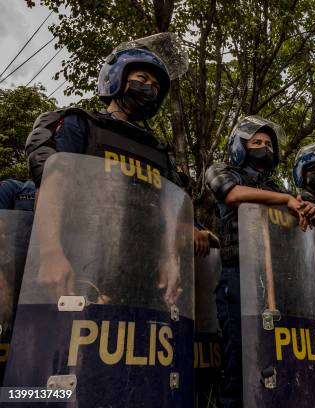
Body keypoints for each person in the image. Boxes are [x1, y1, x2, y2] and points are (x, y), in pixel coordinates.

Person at [25, 45, 209, 302]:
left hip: (143, 275)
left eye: (155, 85)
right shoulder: (83, 125)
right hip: (81, 269)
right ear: (116, 78)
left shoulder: (157, 151)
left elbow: (169, 210)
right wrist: (50, 253)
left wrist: (171, 261)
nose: (149, 88)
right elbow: (53, 183)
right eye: (142, 79)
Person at [205, 115, 315, 408]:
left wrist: (312, 212)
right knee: (239, 359)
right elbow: (231, 195)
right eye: (256, 142)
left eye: (269, 143)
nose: (264, 147)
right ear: (239, 146)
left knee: (279, 359)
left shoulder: (278, 187)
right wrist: (285, 200)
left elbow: (298, 231)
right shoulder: (221, 171)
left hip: (277, 280)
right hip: (239, 276)